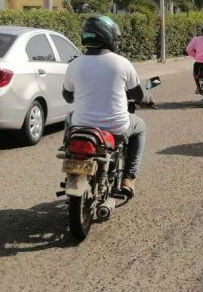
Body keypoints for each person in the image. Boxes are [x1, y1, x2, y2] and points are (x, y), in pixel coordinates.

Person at [62, 15, 154, 198]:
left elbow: (67, 96)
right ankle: (129, 177)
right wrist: (148, 98)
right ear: (109, 36)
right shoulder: (121, 63)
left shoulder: (74, 64)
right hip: (116, 128)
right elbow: (137, 94)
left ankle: (68, 151)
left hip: (81, 127)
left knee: (70, 117)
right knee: (141, 127)